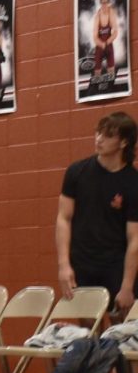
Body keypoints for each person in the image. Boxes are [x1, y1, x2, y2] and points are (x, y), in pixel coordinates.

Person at [56, 111, 138, 319]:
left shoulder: (133, 182)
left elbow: (135, 238)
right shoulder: (76, 172)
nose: (99, 139)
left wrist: (127, 285)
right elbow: (63, 219)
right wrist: (64, 265)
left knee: (118, 333)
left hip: (116, 266)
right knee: (85, 334)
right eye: (98, 133)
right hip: (82, 263)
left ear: (123, 143)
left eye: (108, 135)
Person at [92, 0, 119, 83]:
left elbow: (115, 32)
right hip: (99, 46)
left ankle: (111, 84)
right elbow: (95, 37)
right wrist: (101, 44)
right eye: (102, 3)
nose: (104, 5)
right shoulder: (97, 16)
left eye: (106, 3)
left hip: (108, 44)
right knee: (97, 73)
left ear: (109, 3)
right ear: (100, 3)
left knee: (111, 74)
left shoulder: (112, 13)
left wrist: (108, 42)